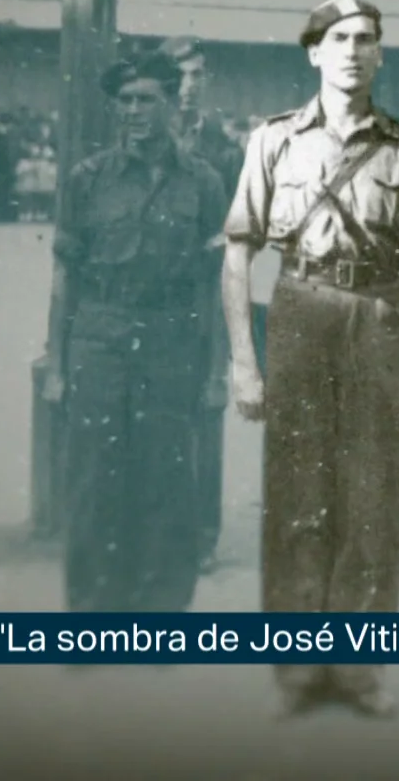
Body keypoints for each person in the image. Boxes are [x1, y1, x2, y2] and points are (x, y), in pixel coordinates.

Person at [220, 0, 399, 720]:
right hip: (299, 310)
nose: (353, 50)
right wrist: (243, 360)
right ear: (314, 53)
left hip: (378, 318)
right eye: (339, 38)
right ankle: (297, 666)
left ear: (380, 54)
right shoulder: (274, 141)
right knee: (296, 488)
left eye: (367, 39)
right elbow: (237, 254)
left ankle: (358, 666)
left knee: (373, 494)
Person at [40, 48, 228, 614]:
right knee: (93, 483)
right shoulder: (88, 179)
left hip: (171, 339)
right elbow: (63, 279)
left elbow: (215, 285)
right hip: (99, 337)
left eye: (145, 99)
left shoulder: (204, 182)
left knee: (167, 482)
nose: (132, 111)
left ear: (171, 104)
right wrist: (55, 363)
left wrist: (219, 370)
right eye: (124, 101)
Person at [163, 35, 246, 573]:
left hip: (205, 296)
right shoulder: (142, 137)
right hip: (149, 294)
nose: (189, 87)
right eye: (180, 77)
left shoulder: (224, 149)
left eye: (197, 76)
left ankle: (200, 536)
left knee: (204, 410)